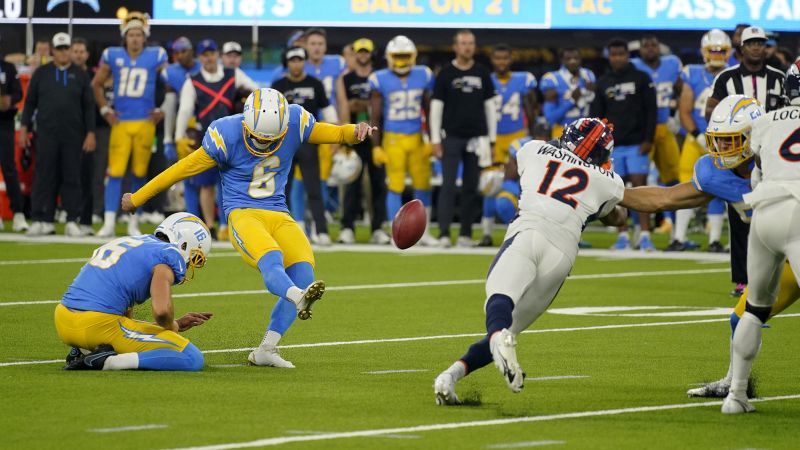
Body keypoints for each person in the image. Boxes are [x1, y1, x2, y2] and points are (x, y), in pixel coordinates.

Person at [121, 88, 376, 368]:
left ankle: (267, 348)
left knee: (304, 273)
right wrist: (137, 197)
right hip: (243, 213)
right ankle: (297, 297)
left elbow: (338, 133)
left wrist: (357, 130)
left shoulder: (294, 120)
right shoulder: (226, 134)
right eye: (258, 138)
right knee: (272, 259)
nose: (264, 144)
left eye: (272, 139)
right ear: (246, 123)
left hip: (278, 211)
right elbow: (179, 171)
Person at [433, 118, 627, 404]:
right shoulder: (609, 182)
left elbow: (540, 167)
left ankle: (491, 344)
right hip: (561, 256)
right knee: (507, 329)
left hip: (528, 232)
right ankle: (450, 375)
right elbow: (614, 216)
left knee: (500, 300)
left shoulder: (533, 150)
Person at [618, 95, 798, 400]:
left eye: (730, 141)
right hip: (782, 255)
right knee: (743, 316)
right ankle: (735, 384)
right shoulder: (715, 173)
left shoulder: (777, 157)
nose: (723, 149)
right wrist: (612, 192)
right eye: (719, 141)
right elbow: (666, 198)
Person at [721, 64, 800, 414]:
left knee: (754, 309)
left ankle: (735, 396)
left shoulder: (766, 121)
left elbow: (757, 176)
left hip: (765, 213)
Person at [57, 212, 213, 371]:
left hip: (64, 319)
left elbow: (126, 324)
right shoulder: (166, 257)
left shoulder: (133, 242)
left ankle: (84, 349)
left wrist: (177, 324)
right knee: (192, 358)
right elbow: (162, 313)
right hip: (96, 326)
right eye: (195, 258)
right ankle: (109, 362)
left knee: (121, 331)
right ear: (184, 244)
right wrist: (171, 326)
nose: (190, 265)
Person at [705, 25, 785, 297]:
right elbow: (711, 107)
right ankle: (742, 279)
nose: (756, 48)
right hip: (739, 152)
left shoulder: (778, 77)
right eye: (751, 43)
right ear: (742, 48)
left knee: (778, 210)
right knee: (740, 214)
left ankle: (782, 274)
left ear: (765, 46)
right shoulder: (726, 77)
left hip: (772, 150)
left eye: (760, 43)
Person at [92, 11, 167, 238]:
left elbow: (171, 84)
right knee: (115, 172)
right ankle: (109, 221)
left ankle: (133, 223)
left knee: (139, 173)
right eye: (131, 34)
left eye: (138, 34)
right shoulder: (113, 55)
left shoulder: (156, 55)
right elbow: (96, 84)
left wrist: (162, 109)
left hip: (145, 122)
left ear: (144, 37)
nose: (135, 38)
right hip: (122, 121)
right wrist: (106, 110)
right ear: (125, 37)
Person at [175, 39, 259, 234]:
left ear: (217, 55)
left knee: (230, 184)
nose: (209, 58)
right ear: (200, 57)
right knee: (206, 185)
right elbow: (185, 110)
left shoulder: (232, 74)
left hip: (233, 139)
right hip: (207, 138)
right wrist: (178, 137)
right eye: (205, 54)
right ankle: (210, 226)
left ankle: (226, 225)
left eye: (212, 53)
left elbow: (256, 91)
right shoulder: (193, 80)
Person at [19, 32, 96, 237]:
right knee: (43, 176)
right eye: (59, 48)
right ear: (53, 50)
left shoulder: (80, 75)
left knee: (72, 177)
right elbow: (30, 103)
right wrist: (24, 128)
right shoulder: (41, 73)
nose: (63, 52)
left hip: (73, 135)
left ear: (70, 50)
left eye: (66, 48)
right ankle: (40, 218)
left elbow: (88, 107)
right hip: (46, 133)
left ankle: (72, 219)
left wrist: (90, 132)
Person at [430, 29, 498, 248]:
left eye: (470, 43)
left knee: (471, 186)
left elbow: (490, 108)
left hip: (477, 138)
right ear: (455, 46)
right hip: (451, 137)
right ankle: (443, 233)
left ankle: (466, 234)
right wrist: (434, 139)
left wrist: (492, 140)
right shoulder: (446, 73)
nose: (467, 47)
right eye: (463, 43)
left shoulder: (483, 73)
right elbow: (436, 107)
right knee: (448, 185)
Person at [368, 35, 438, 246]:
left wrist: (432, 138)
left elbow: (429, 109)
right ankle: (395, 231)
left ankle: (423, 232)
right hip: (393, 138)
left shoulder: (423, 75)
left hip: (417, 136)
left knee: (423, 184)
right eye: (397, 56)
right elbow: (375, 116)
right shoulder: (380, 79)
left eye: (405, 56)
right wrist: (376, 146)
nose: (401, 60)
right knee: (395, 186)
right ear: (389, 57)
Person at [590, 38, 657, 251]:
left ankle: (645, 235)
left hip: (637, 143)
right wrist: (599, 147)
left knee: (641, 188)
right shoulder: (603, 82)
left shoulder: (641, 77)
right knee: (614, 191)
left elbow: (651, 111)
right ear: (609, 57)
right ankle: (623, 237)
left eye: (621, 54)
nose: (617, 58)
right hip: (612, 147)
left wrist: (648, 139)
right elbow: (596, 116)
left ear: (627, 55)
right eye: (613, 55)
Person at [670, 29, 731, 252]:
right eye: (712, 50)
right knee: (685, 186)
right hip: (695, 139)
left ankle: (715, 240)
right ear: (704, 51)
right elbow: (685, 111)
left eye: (720, 50)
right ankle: (678, 238)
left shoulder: (733, 74)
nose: (716, 54)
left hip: (725, 141)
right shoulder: (692, 73)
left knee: (719, 188)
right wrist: (697, 136)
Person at [272, 46, 336, 246]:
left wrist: (335, 136)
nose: (296, 63)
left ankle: (321, 230)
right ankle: (285, 230)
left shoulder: (315, 84)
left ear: (304, 61)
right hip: (284, 146)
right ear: (287, 63)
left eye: (299, 59)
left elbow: (328, 111)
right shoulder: (278, 85)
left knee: (314, 188)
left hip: (308, 143)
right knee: (282, 190)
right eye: (292, 60)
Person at [479, 43, 537, 246]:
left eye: (505, 58)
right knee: (489, 184)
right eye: (498, 58)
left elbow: (531, 109)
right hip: (493, 138)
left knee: (524, 184)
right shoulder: (486, 81)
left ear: (511, 59)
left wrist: (532, 137)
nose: (501, 62)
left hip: (517, 136)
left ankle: (524, 228)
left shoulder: (523, 80)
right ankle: (486, 233)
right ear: (492, 60)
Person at [336, 38, 390, 245]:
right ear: (355, 53)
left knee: (378, 183)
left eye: (366, 51)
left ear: (371, 53)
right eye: (360, 51)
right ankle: (347, 227)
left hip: (377, 137)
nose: (363, 55)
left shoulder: (380, 77)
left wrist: (360, 103)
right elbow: (345, 107)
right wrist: (342, 137)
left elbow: (377, 106)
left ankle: (377, 227)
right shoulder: (346, 78)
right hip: (354, 137)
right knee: (352, 183)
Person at [632, 35, 682, 235]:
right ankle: (638, 228)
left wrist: (674, 114)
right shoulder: (634, 66)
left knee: (674, 178)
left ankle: (677, 230)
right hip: (643, 129)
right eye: (646, 45)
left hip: (664, 126)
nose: (650, 49)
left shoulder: (672, 64)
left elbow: (680, 89)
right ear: (641, 49)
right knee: (638, 181)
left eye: (654, 45)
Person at [162, 37, 202, 221]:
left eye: (183, 51)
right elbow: (170, 108)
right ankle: (191, 216)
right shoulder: (170, 72)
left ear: (191, 51)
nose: (179, 56)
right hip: (185, 128)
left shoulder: (203, 68)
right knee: (188, 176)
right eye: (176, 52)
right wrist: (168, 138)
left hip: (205, 125)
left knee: (211, 179)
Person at [0, 33, 28, 232]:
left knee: (9, 168)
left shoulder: (8, 68)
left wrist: (9, 100)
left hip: (5, 123)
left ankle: (18, 213)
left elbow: (18, 92)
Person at [70, 37, 96, 236]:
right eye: (75, 51)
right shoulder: (64, 73)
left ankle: (86, 218)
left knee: (87, 176)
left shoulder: (92, 75)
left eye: (81, 51)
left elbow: (90, 108)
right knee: (71, 176)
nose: (79, 54)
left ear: (87, 54)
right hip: (70, 133)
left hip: (89, 132)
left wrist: (91, 132)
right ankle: (70, 214)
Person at [540, 48, 596, 139]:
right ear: (562, 60)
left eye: (576, 58)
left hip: (586, 132)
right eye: (568, 58)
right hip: (562, 132)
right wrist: (571, 101)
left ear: (580, 59)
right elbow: (550, 119)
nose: (573, 61)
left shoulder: (588, 75)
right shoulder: (552, 79)